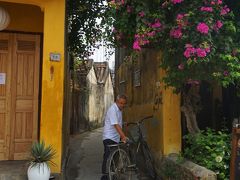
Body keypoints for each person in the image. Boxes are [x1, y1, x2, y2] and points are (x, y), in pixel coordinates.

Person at [101, 94, 127, 180]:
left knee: (114, 158)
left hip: (115, 138)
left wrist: (123, 125)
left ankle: (112, 175)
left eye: (124, 103)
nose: (122, 105)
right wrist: (123, 136)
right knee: (108, 157)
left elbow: (118, 123)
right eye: (121, 103)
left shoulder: (119, 110)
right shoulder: (113, 109)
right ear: (116, 101)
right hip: (109, 137)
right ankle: (104, 176)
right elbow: (115, 124)